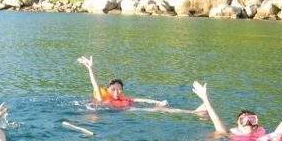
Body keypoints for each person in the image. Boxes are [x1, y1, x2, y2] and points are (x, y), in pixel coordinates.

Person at [192, 80, 282, 141]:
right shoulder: (230, 134)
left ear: (257, 124)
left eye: (251, 119)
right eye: (242, 119)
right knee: (217, 134)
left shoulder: (264, 136)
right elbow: (216, 119)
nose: (247, 122)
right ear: (237, 124)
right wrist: (205, 98)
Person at [77, 55, 206, 114]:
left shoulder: (123, 98)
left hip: (125, 110)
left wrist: (158, 101)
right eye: (113, 90)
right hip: (115, 110)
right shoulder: (102, 98)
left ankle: (193, 112)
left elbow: (140, 99)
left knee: (159, 108)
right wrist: (90, 69)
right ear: (108, 90)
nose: (116, 92)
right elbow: (95, 84)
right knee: (152, 111)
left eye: (119, 90)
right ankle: (193, 113)